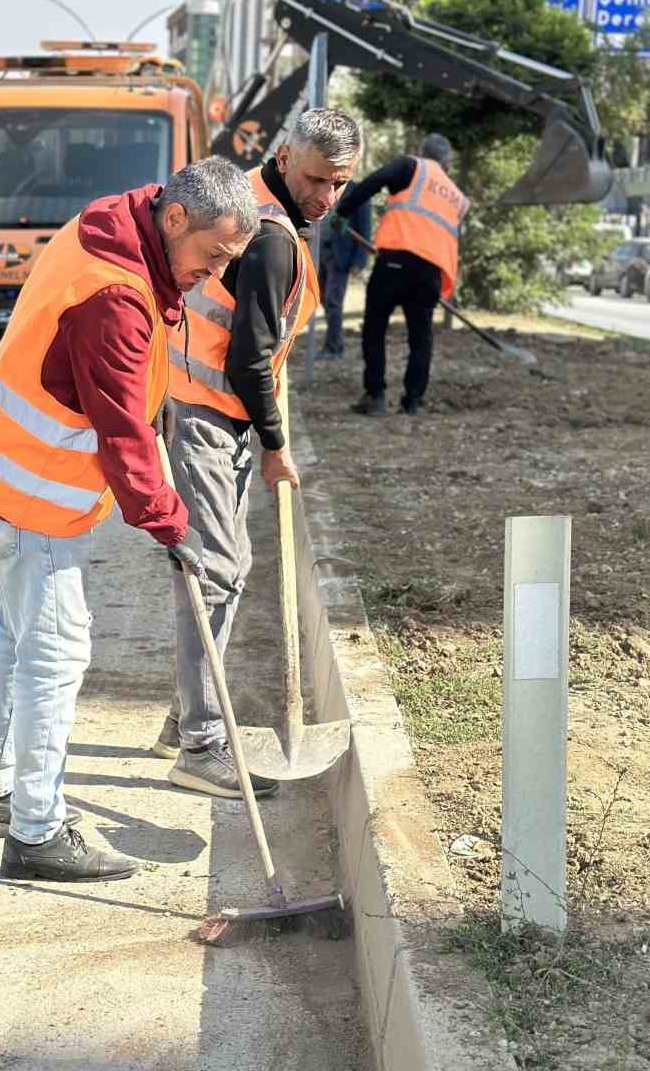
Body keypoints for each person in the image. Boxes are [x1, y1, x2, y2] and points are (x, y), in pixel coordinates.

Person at [0, 157, 260, 883]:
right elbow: (125, 432)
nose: (214, 273)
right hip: (36, 493)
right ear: (176, 219)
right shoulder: (116, 299)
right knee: (56, 655)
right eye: (213, 254)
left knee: (17, 638)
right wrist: (171, 523)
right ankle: (36, 833)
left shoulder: (112, 228)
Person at [152, 109, 363, 798]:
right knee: (218, 570)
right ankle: (202, 743)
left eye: (341, 183)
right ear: (282, 156)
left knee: (217, 567)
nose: (327, 198)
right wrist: (275, 446)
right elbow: (248, 359)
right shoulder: (269, 238)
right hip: (205, 413)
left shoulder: (260, 202)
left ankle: (187, 712)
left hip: (201, 404)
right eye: (316, 179)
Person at [334, 133, 468, 416]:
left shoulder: (412, 167)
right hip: (431, 273)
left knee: (375, 328)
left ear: (421, 151)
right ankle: (413, 402)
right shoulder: (457, 197)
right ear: (447, 164)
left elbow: (373, 182)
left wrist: (343, 211)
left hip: (396, 263)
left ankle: (376, 397)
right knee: (421, 337)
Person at [316, 180, 373, 358]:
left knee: (333, 300)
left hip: (341, 254)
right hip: (319, 251)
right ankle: (333, 341)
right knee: (323, 298)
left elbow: (365, 228)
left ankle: (334, 347)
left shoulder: (358, 191)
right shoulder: (323, 184)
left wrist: (359, 261)